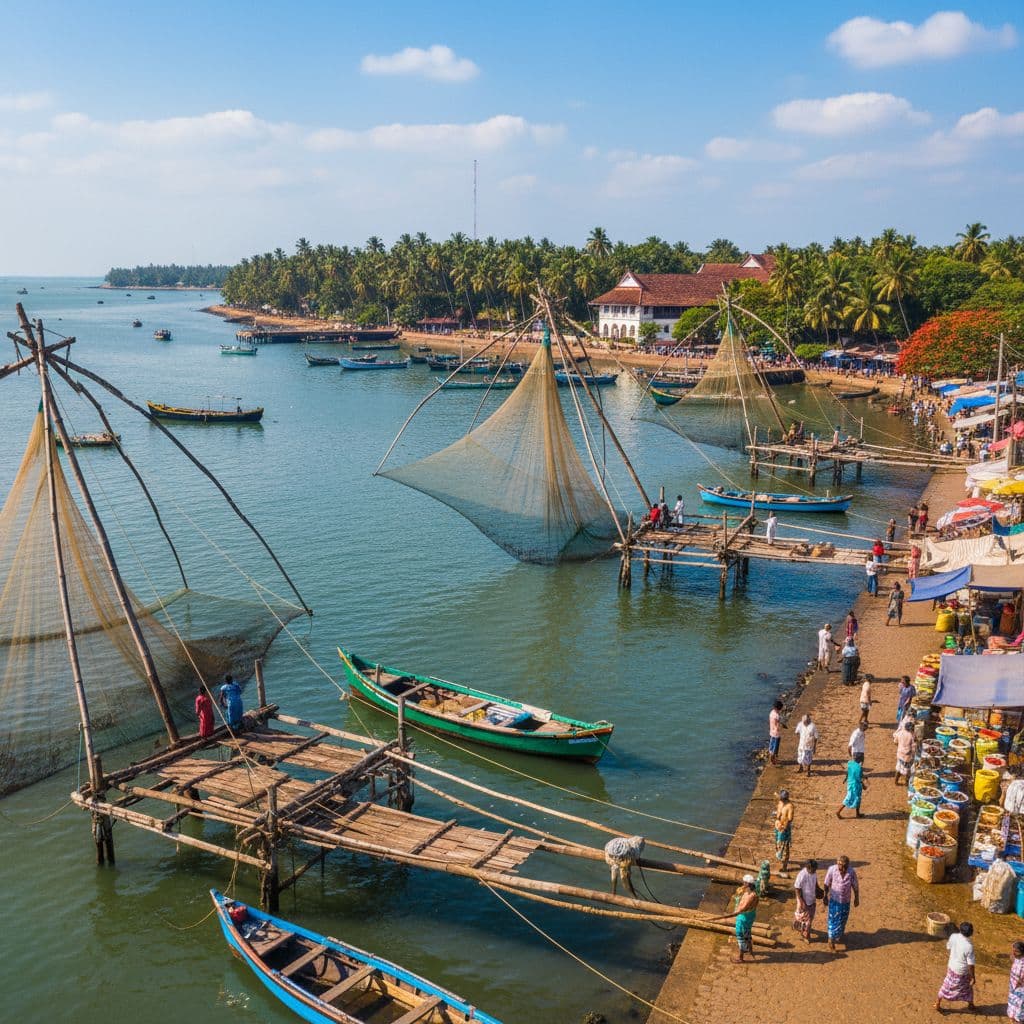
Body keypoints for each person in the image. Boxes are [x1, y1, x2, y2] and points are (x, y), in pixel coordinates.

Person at [934, 921, 976, 1013]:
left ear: (960, 930)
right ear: (971, 933)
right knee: (967, 988)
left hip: (951, 967)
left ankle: (937, 1003)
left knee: (946, 985)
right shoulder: (969, 946)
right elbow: (971, 965)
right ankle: (971, 1004)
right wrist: (973, 976)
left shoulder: (953, 936)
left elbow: (948, 947)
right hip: (962, 972)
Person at [822, 855, 859, 951]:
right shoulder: (832, 870)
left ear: (848, 866)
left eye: (844, 866)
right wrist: (825, 896)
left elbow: (855, 885)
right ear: (837, 864)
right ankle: (831, 939)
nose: (842, 868)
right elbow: (826, 884)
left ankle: (837, 934)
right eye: (840, 866)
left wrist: (856, 898)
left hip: (846, 901)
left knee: (843, 920)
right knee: (833, 920)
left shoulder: (851, 872)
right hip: (834, 901)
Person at [721, 875, 760, 964]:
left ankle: (741, 957)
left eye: (744, 882)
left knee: (740, 935)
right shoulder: (752, 893)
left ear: (747, 884)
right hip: (748, 917)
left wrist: (734, 913)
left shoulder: (751, 896)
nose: (742, 884)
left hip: (744, 918)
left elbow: (744, 908)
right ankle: (750, 950)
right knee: (747, 933)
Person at [793, 858, 819, 942]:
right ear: (808, 868)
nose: (815, 871)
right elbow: (797, 888)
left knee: (808, 917)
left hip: (811, 898)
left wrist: (818, 889)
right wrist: (801, 901)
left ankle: (798, 925)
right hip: (803, 899)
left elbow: (815, 882)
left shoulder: (814, 872)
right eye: (813, 869)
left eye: (815, 869)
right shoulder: (802, 875)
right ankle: (806, 935)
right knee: (806, 919)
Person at [836, 752, 867, 818]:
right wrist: (864, 786)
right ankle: (838, 811)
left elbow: (848, 772)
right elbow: (860, 778)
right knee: (853, 798)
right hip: (856, 785)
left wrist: (846, 778)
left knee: (851, 797)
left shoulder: (850, 763)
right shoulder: (859, 768)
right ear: (860, 760)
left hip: (850, 783)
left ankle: (857, 814)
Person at [774, 790, 794, 872]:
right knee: (778, 844)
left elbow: (790, 819)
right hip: (778, 826)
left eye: (782, 798)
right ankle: (780, 857)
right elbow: (775, 795)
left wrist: (784, 828)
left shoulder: (790, 806)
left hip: (784, 828)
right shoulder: (780, 802)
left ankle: (784, 866)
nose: (781, 799)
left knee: (785, 847)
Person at [893, 719, 917, 786]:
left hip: (900, 753)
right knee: (907, 770)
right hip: (907, 756)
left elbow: (895, 742)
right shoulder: (912, 735)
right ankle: (906, 783)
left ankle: (896, 781)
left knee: (898, 767)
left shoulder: (900, 733)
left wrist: (900, 747)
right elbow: (914, 747)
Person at [1008, 940, 1024, 1023]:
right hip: (1013, 986)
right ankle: (1012, 1017)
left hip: (1020, 989)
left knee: (1020, 1005)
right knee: (1012, 1002)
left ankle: (1018, 1019)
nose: (1013, 953)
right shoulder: (1015, 957)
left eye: (1016, 951)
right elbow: (1012, 958)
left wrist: (1019, 983)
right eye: (1013, 950)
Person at [768, 699, 785, 766]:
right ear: (779, 709)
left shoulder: (771, 712)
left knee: (772, 744)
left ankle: (772, 755)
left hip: (771, 732)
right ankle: (773, 759)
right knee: (776, 747)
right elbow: (777, 725)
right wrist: (781, 727)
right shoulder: (777, 716)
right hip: (776, 734)